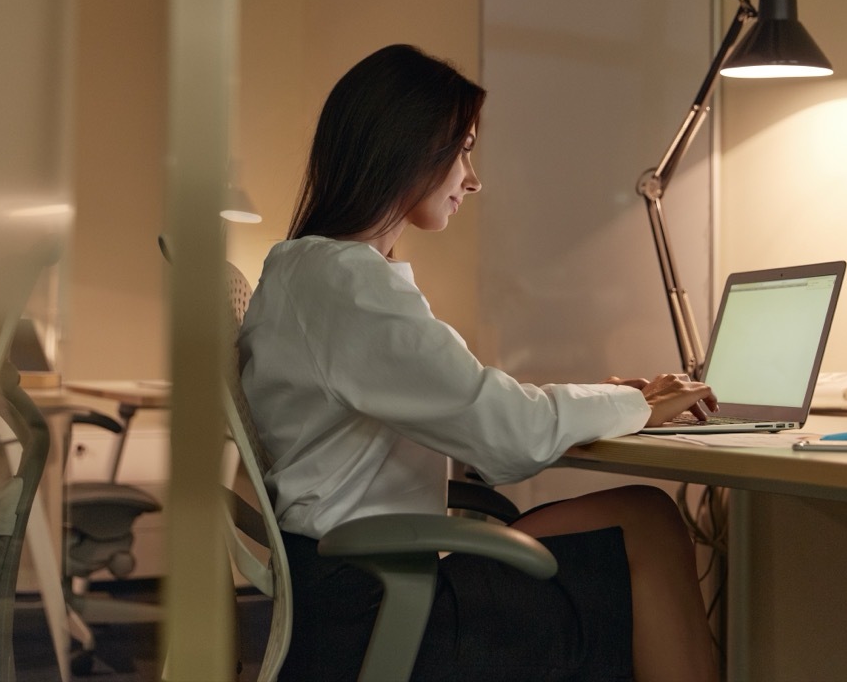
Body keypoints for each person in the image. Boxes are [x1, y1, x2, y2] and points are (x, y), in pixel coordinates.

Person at [238, 44, 718, 681]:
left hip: (338, 587)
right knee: (650, 527)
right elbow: (507, 434)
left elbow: (477, 403)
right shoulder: (347, 284)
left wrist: (615, 402)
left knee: (644, 516)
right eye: (463, 149)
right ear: (407, 148)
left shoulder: (303, 269)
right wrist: (638, 405)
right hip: (371, 604)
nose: (473, 176)